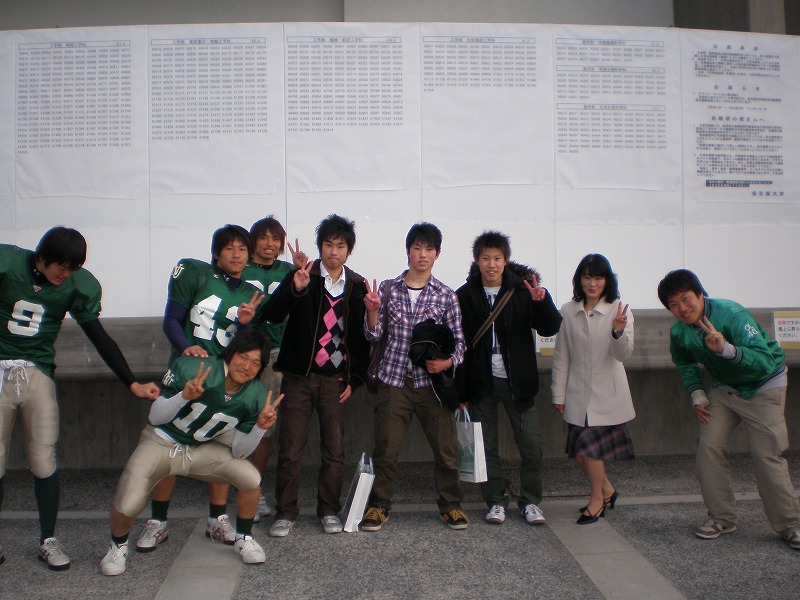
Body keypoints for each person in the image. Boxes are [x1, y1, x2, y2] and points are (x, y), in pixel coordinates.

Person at [0, 227, 159, 570]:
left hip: (37, 371)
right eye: (62, 265)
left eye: (73, 267)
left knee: (43, 458)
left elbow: (98, 336)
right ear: (42, 256)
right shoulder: (8, 263)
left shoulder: (76, 284)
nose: (66, 273)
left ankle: (48, 539)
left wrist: (130, 382)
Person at [100, 329, 281, 576]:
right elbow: (155, 416)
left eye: (255, 363)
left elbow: (240, 451)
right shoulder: (195, 368)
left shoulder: (256, 395)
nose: (247, 366)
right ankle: (117, 546)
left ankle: (244, 538)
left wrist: (259, 428)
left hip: (199, 449)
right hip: (162, 441)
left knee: (250, 478)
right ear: (231, 353)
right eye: (243, 357)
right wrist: (183, 397)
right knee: (129, 503)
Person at [136, 225, 266, 553]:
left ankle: (217, 518)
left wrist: (245, 323)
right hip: (188, 377)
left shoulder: (250, 293)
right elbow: (171, 320)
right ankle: (158, 520)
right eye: (229, 248)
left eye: (242, 249)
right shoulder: (195, 273)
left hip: (224, 380)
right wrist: (185, 347)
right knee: (169, 440)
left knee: (219, 443)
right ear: (216, 252)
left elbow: (244, 346)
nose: (236, 255)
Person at [657, 269, 800, 549]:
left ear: (700, 294)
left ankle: (791, 525)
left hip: (764, 385)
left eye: (686, 298)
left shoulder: (732, 314)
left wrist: (726, 349)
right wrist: (697, 394)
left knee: (767, 455)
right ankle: (722, 517)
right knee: (709, 449)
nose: (682, 308)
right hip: (724, 389)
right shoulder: (679, 331)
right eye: (673, 304)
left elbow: (763, 360)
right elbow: (684, 362)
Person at [262, 214, 369, 537]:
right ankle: (286, 511)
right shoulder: (303, 275)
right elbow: (272, 314)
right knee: (290, 449)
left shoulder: (357, 285)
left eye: (340, 246)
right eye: (328, 244)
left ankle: (329, 510)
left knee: (334, 451)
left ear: (349, 250)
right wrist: (294, 290)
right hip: (298, 377)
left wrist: (354, 379)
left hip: (334, 380)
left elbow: (360, 338)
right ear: (319, 246)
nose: (334, 251)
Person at [360, 222, 468, 532]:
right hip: (394, 380)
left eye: (428, 249)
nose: (422, 254)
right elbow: (373, 335)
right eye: (417, 248)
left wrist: (447, 362)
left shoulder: (446, 295)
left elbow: (460, 343)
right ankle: (379, 506)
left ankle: (451, 505)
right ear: (407, 251)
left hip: (431, 385)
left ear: (437, 254)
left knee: (445, 450)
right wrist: (372, 311)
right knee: (386, 449)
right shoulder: (388, 289)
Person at [455, 231, 562, 526]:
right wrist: (461, 391)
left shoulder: (523, 291)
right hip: (481, 382)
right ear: (477, 261)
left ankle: (530, 501)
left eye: (497, 258)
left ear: (506, 260)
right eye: (486, 258)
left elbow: (550, 327)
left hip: (518, 381)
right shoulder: (464, 295)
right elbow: (460, 345)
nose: (491, 264)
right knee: (486, 445)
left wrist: (542, 302)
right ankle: (495, 501)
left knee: (531, 444)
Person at [551, 254, 634, 525]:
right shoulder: (568, 310)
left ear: (607, 280)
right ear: (579, 280)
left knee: (590, 451)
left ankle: (596, 500)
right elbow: (562, 355)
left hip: (607, 393)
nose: (592, 283)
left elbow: (623, 354)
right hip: (578, 392)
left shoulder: (618, 309)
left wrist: (618, 332)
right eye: (587, 277)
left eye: (598, 277)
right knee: (580, 454)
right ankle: (608, 491)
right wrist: (558, 393)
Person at [243, 216, 307, 522]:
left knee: (264, 425)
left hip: (278, 355)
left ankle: (253, 490)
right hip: (243, 354)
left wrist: (300, 269)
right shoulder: (241, 268)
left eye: (275, 239)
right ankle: (236, 489)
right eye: (264, 237)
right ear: (252, 241)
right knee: (237, 421)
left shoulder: (288, 271)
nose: (270, 244)